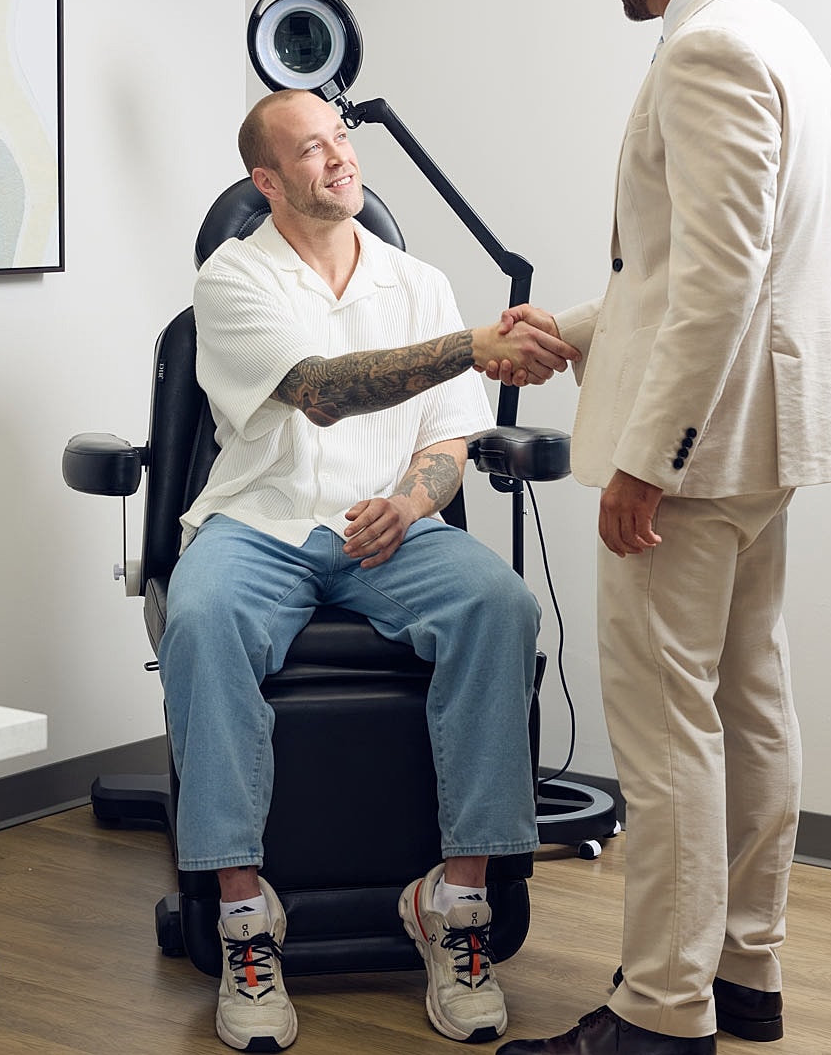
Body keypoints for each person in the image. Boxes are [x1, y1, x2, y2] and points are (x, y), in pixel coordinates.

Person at [490, 0, 831, 1055]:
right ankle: (746, 972)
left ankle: (660, 1010)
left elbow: (718, 277)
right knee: (751, 703)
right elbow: (698, 274)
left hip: (699, 457)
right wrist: (581, 328)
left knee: (666, 731)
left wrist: (648, 457)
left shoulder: (702, 50)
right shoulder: (785, 37)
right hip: (772, 442)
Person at [156, 87, 579, 1052]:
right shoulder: (232, 280)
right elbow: (321, 393)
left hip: (388, 532)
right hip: (261, 524)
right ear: (266, 181)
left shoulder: (415, 280)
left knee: (500, 607)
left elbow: (449, 439)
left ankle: (456, 905)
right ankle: (243, 917)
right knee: (201, 617)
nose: (339, 157)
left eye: (340, 138)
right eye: (311, 150)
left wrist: (414, 501)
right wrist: (473, 343)